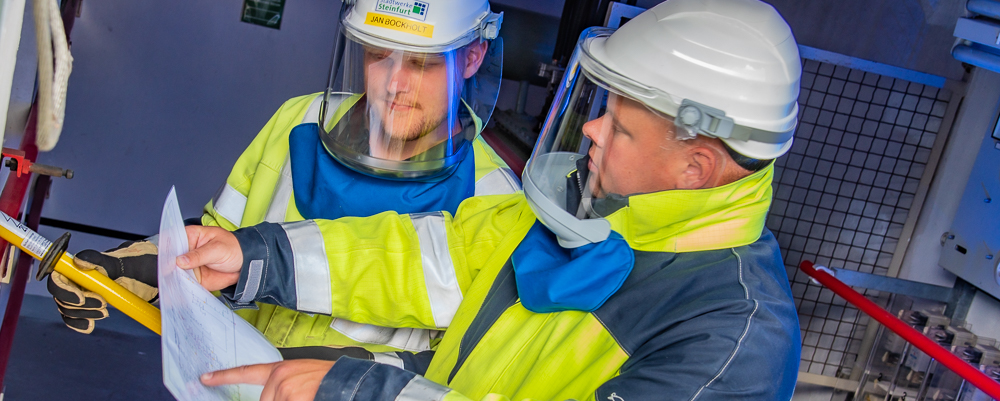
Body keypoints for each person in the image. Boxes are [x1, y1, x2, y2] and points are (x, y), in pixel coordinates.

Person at [175, 0, 804, 399]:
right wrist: (257, 255)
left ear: (695, 167)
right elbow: (425, 259)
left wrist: (363, 390)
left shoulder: (733, 337)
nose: (591, 128)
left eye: (619, 125)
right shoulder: (581, 213)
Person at [46, 0, 517, 355]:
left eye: (420, 63)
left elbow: (462, 369)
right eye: (378, 54)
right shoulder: (302, 121)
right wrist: (142, 266)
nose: (394, 84)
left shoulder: (493, 199)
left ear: (473, 57)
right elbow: (220, 238)